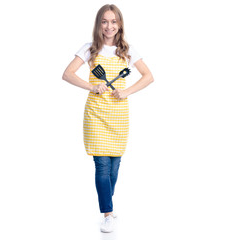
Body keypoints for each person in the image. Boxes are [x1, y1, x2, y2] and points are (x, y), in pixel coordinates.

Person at [62, 4, 154, 233]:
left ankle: (107, 202)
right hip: (95, 113)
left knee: (114, 166)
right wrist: (93, 86)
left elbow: (149, 76)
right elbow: (67, 74)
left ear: (120, 24)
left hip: (119, 114)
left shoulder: (128, 50)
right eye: (104, 21)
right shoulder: (89, 48)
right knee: (102, 165)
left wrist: (127, 91)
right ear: (98, 24)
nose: (109, 26)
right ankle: (108, 214)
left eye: (113, 21)